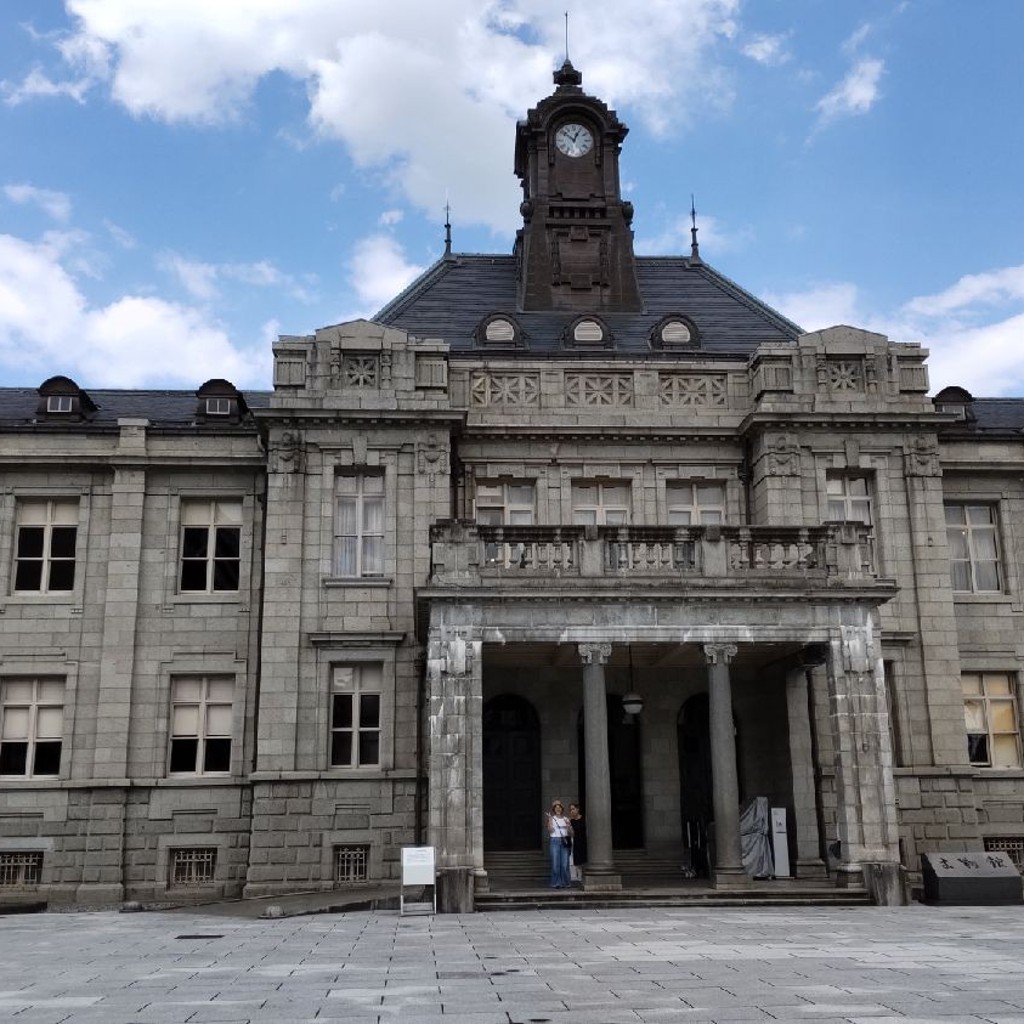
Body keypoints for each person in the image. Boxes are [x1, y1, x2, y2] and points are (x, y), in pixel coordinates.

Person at [546, 800, 572, 888]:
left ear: (562, 809)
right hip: (555, 841)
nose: (558, 809)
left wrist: (568, 826)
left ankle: (565, 882)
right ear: (554, 809)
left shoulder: (566, 819)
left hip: (564, 840)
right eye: (556, 807)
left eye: (559, 807)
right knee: (555, 863)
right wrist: (549, 819)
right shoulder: (552, 818)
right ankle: (556, 883)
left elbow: (571, 833)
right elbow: (550, 830)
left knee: (564, 864)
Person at [568, 802, 587, 884]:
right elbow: (571, 834)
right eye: (570, 810)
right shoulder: (571, 821)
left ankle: (584, 875)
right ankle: (579, 876)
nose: (571, 811)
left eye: (573, 809)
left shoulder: (584, 818)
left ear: (577, 809)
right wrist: (569, 826)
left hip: (584, 841)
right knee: (577, 859)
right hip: (576, 841)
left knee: (584, 858)